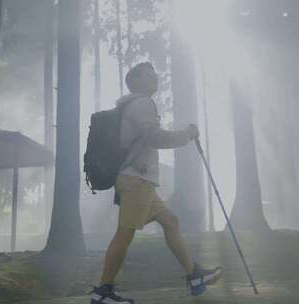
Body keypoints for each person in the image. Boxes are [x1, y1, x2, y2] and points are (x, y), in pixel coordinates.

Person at [89, 62, 222, 304]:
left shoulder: (130, 105)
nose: (156, 78)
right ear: (137, 80)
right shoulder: (142, 103)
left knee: (171, 222)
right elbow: (155, 137)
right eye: (150, 75)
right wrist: (187, 135)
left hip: (140, 179)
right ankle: (102, 292)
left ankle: (194, 276)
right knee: (124, 235)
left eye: (155, 73)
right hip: (137, 180)